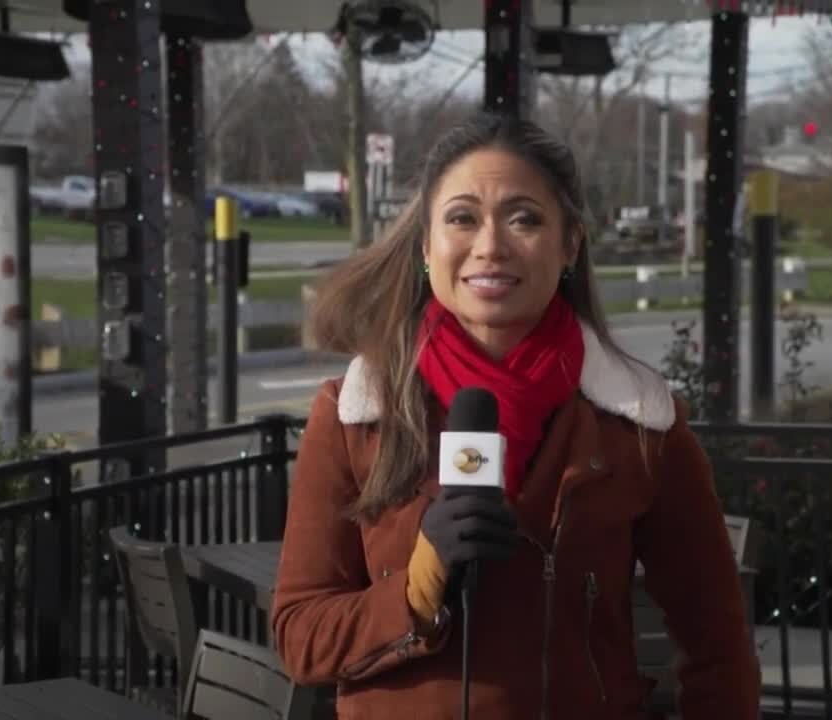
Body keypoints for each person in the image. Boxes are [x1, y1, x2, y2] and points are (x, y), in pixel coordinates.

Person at [271, 113, 760, 720]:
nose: (491, 246)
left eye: (524, 217)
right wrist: (418, 588)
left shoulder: (640, 424)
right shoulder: (352, 417)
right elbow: (300, 638)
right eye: (462, 218)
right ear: (426, 245)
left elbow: (718, 641)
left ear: (570, 244)